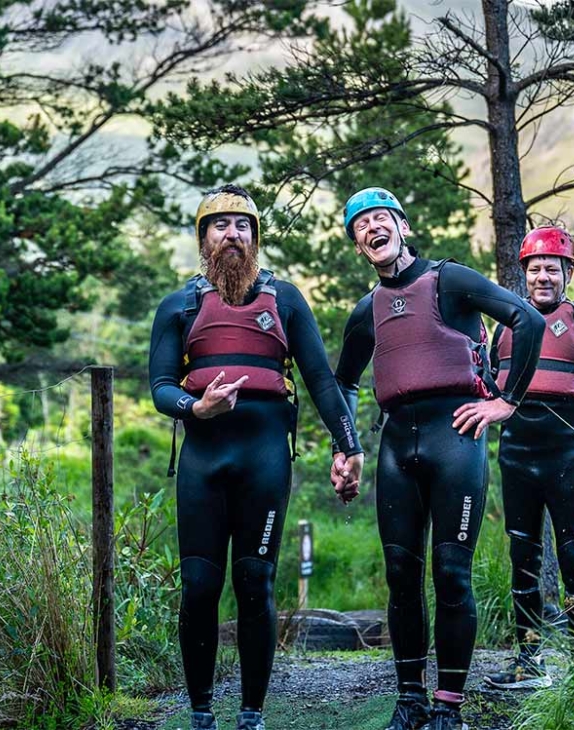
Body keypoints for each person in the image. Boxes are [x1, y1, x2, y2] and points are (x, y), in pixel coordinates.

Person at [149, 185, 364, 730]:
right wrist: (196, 407)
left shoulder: (285, 299)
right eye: (219, 225)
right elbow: (158, 387)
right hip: (203, 459)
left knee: (255, 582)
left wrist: (349, 446)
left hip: (265, 458)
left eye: (242, 226)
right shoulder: (179, 305)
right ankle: (200, 712)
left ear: (255, 238)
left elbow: (319, 378)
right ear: (203, 239)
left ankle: (251, 713)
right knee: (199, 588)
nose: (231, 235)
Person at [332, 187, 544, 730]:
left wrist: (505, 402)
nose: (371, 229)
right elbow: (342, 383)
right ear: (359, 245)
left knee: (451, 574)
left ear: (403, 226)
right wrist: (346, 447)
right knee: (401, 574)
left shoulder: (450, 279)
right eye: (360, 226)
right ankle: (410, 702)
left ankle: (448, 707)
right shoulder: (366, 312)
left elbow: (529, 321)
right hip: (397, 447)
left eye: (380, 219)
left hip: (457, 438)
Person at [483, 225, 574, 690]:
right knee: (521, 555)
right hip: (516, 455)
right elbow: (483, 386)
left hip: (568, 457)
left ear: (567, 273)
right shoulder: (506, 324)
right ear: (524, 274)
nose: (543, 277)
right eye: (535, 268)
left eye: (552, 268)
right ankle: (528, 660)